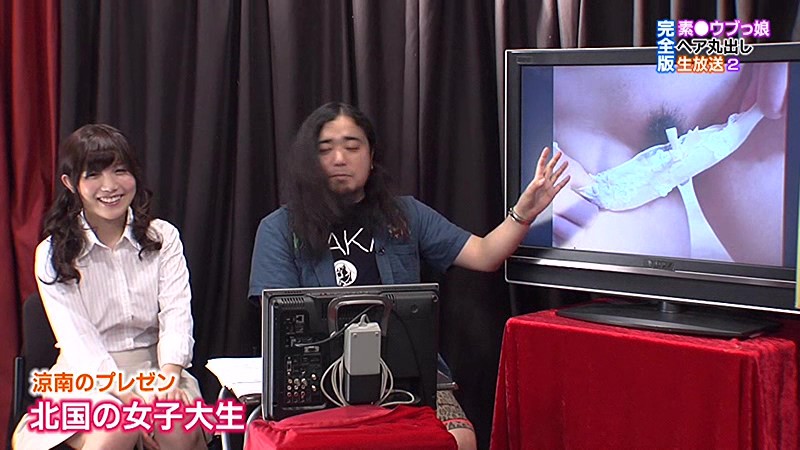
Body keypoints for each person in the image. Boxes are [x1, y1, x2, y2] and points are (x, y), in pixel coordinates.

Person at [248, 102, 569, 450]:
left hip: (411, 377)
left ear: (371, 156)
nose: (339, 158)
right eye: (325, 149)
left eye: (352, 146)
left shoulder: (405, 215)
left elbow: (485, 254)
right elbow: (279, 320)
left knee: (459, 439)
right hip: (319, 382)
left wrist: (524, 213)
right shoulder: (280, 228)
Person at [12, 124, 207, 450]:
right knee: (116, 427)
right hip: (86, 376)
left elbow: (177, 314)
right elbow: (78, 341)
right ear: (70, 183)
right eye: (93, 175)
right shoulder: (52, 253)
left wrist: (168, 379)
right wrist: (131, 401)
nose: (110, 186)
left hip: (157, 370)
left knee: (177, 428)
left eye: (120, 171)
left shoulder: (163, 237)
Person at [547, 62, 788, 265]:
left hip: (751, 97)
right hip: (600, 172)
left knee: (787, 283)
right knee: (641, 297)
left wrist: (787, 37)